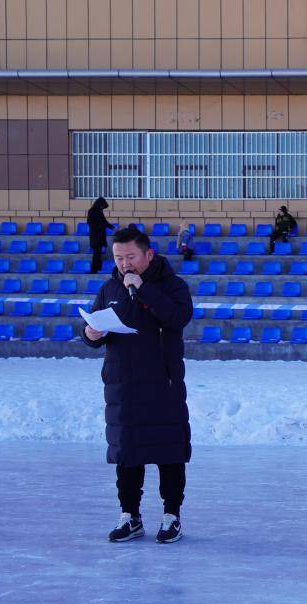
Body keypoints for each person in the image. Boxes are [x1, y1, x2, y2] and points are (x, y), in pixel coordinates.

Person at [82, 226, 194, 544]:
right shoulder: (109, 289)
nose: (124, 263)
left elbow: (177, 318)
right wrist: (90, 334)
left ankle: (172, 515)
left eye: (130, 256)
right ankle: (130, 515)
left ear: (148, 254)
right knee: (127, 454)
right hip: (123, 386)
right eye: (118, 257)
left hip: (162, 384)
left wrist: (144, 289)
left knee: (168, 451)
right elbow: (93, 322)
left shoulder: (173, 286)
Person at [87, 197, 115, 274]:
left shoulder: (99, 211)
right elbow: (91, 223)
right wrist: (101, 226)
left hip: (99, 236)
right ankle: (94, 270)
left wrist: (112, 227)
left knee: (98, 254)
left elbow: (104, 222)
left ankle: (97, 268)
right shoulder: (92, 211)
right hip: (95, 236)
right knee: (96, 254)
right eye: (102, 206)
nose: (103, 208)